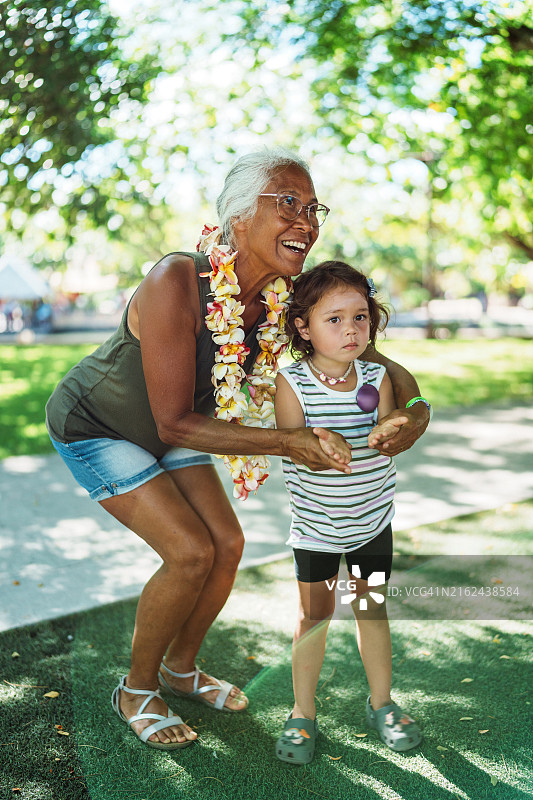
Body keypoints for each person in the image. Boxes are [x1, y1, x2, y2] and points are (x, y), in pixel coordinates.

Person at [45, 149, 429, 752]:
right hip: (100, 425)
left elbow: (373, 360)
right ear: (239, 215)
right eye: (288, 203)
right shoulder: (177, 279)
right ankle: (137, 687)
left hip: (178, 430)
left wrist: (416, 411)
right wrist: (290, 441)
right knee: (191, 552)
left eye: (312, 208)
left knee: (229, 544)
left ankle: (180, 667)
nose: (306, 220)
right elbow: (174, 421)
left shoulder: (287, 297)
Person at [274, 261, 429, 764]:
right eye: (334, 319)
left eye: (360, 317)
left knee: (370, 609)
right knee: (314, 615)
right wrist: (323, 441)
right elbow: (295, 443)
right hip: (317, 530)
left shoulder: (377, 375)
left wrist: (387, 430)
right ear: (304, 327)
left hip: (371, 523)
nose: (351, 329)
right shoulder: (291, 383)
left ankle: (382, 704)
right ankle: (302, 711)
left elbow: (389, 429)